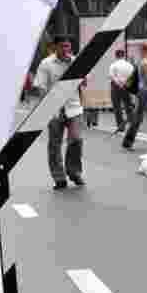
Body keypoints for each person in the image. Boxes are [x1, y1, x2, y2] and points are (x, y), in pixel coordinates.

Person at [34, 33, 85, 189]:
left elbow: (83, 84)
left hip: (74, 107)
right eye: (62, 46)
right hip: (54, 110)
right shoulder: (46, 64)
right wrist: (46, 109)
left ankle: (74, 171)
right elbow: (41, 87)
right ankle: (59, 177)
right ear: (55, 47)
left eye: (68, 46)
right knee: (55, 145)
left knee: (76, 139)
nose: (66, 49)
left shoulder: (76, 61)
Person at [108, 48, 135, 134]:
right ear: (123, 55)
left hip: (116, 87)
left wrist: (119, 84)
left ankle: (121, 125)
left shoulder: (113, 65)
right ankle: (132, 123)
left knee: (117, 107)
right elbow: (133, 76)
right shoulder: (129, 65)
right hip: (126, 87)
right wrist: (125, 84)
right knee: (128, 106)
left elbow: (112, 76)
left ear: (116, 56)